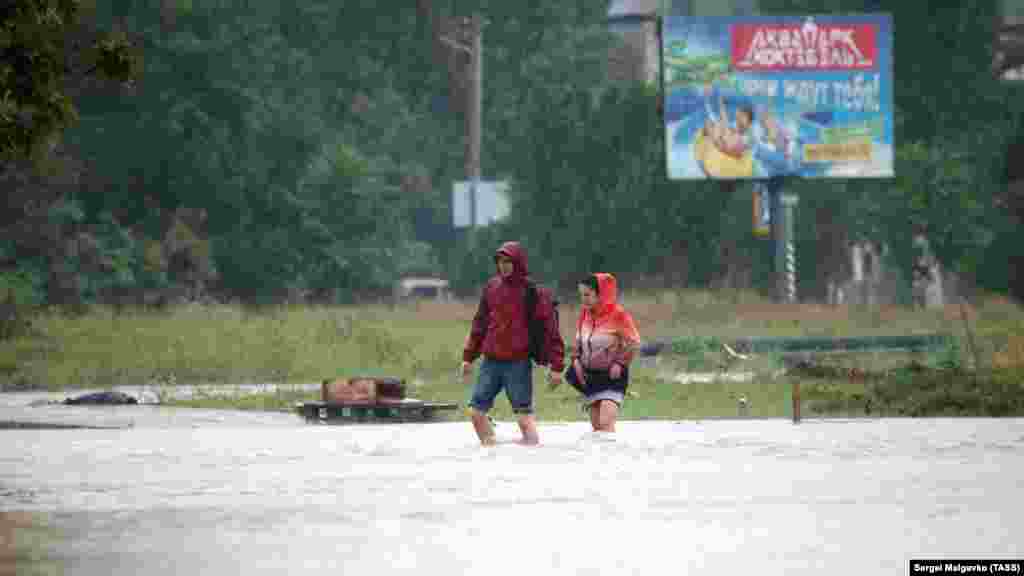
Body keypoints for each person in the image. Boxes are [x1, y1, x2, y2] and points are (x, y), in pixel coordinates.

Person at [460, 241, 564, 446]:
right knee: (475, 413)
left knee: (524, 420)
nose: (503, 265)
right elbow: (479, 324)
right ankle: (491, 454)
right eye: (500, 261)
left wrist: (557, 367)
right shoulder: (491, 287)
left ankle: (532, 459)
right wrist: (468, 357)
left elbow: (550, 331)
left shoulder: (533, 292)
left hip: (518, 364)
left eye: (508, 261)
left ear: (519, 262)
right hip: (490, 362)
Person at [565, 273, 640, 433]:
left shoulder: (618, 315)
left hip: (612, 376)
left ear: (601, 294)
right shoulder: (584, 314)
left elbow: (634, 343)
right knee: (597, 427)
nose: (583, 299)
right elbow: (578, 342)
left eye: (587, 295)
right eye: (581, 295)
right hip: (589, 377)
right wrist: (575, 361)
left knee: (605, 422)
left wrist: (620, 363)